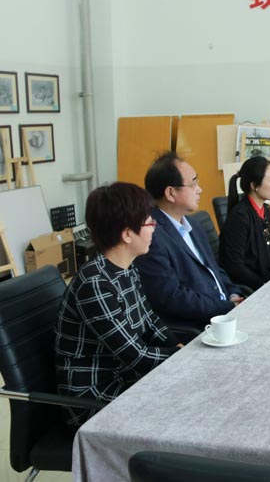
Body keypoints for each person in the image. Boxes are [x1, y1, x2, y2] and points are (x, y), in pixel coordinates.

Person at [55, 182, 182, 427]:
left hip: (126, 378)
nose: (154, 228)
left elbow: (151, 322)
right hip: (95, 399)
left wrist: (177, 344)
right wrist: (182, 356)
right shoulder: (95, 284)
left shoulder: (126, 267)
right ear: (127, 234)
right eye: (149, 223)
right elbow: (136, 356)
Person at [135, 152, 244, 331]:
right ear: (170, 193)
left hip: (225, 314)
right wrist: (226, 307)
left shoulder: (194, 224)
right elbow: (172, 298)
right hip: (200, 326)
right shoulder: (151, 236)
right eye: (193, 184)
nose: (199, 189)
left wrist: (233, 293)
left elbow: (213, 270)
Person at [219, 156, 270, 290]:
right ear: (254, 186)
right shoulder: (240, 217)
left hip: (264, 279)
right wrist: (263, 285)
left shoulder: (265, 210)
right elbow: (235, 266)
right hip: (251, 285)